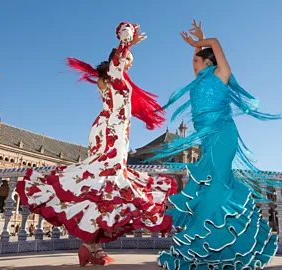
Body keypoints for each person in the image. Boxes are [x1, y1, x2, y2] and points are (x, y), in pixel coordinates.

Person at [16, 22, 177, 266]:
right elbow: (118, 59)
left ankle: (91, 246)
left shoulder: (115, 80)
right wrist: (127, 41)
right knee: (105, 181)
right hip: (111, 132)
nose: (130, 62)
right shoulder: (115, 75)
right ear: (117, 60)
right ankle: (90, 245)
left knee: (105, 184)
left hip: (113, 131)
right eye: (128, 59)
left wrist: (126, 49)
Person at [148, 19, 281, 270]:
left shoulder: (221, 74)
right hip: (208, 139)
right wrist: (197, 45)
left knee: (216, 185)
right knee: (209, 187)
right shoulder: (199, 81)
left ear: (208, 63)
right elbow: (201, 56)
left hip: (223, 135)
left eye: (196, 60)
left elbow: (216, 45)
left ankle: (216, 248)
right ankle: (218, 247)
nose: (193, 63)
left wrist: (201, 41)